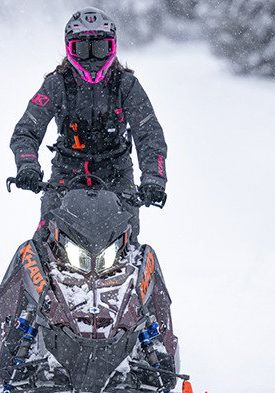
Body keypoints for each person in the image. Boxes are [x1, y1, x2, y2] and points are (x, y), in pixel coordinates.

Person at [10, 7, 168, 243]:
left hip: (117, 176)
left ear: (112, 47)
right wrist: (27, 166)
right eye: (83, 50)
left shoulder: (127, 85)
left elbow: (149, 135)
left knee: (128, 246)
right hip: (65, 175)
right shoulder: (56, 85)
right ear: (69, 49)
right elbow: (26, 131)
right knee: (44, 242)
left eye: (100, 48)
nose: (92, 59)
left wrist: (154, 179)